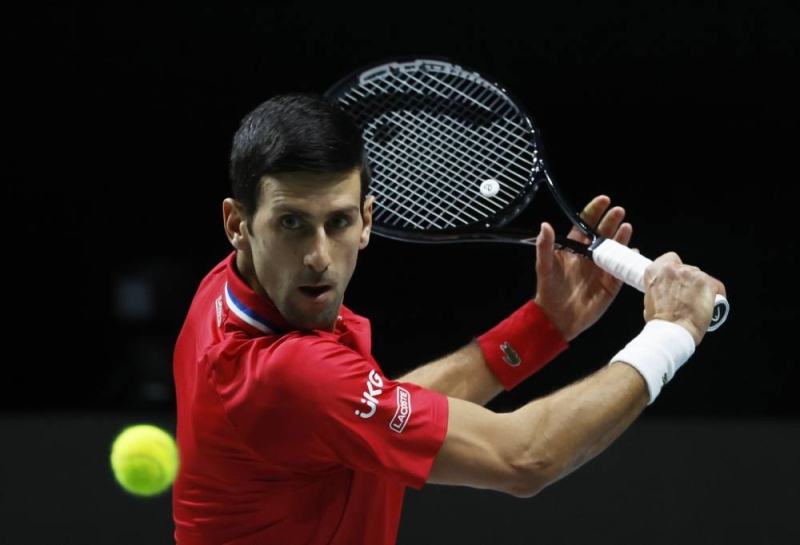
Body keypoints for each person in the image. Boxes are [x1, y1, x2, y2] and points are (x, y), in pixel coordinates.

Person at [171, 92, 726, 544]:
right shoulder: (286, 374)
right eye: (291, 223)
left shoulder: (224, 290)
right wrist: (672, 331)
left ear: (367, 220)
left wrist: (543, 326)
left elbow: (369, 406)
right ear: (237, 224)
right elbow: (524, 457)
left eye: (337, 222)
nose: (318, 256)